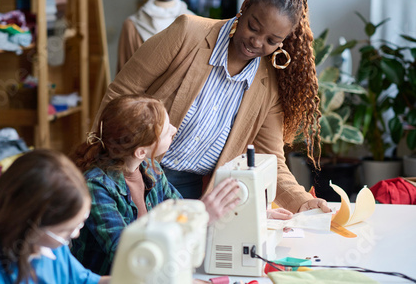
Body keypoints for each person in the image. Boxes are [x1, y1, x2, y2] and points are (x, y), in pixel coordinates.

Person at [94, 0, 331, 214]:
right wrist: (97, 163)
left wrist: (301, 201)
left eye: (271, 40)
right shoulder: (187, 33)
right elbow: (121, 93)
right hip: (131, 174)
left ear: (283, 42)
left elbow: (271, 159)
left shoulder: (268, 86)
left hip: (191, 194)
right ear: (245, 7)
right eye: (253, 27)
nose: (257, 42)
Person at [71, 94, 292, 275]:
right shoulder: (96, 186)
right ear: (140, 151)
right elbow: (125, 253)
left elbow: (181, 210)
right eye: (166, 131)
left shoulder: (151, 169)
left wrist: (249, 214)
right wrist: (201, 214)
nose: (175, 129)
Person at [0, 149, 110, 284]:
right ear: (31, 224)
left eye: (80, 224)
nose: (75, 235)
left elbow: (84, 280)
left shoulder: (50, 245)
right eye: (65, 230)